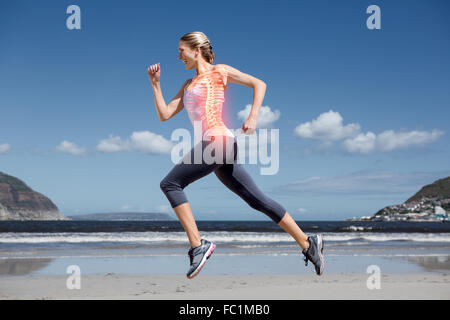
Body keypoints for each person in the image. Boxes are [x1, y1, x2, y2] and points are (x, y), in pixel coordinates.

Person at [147, 31, 324, 279]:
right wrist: (155, 84)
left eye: (181, 51)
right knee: (256, 200)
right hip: (219, 146)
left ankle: (198, 245)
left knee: (171, 183)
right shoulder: (187, 85)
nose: (179, 57)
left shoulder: (220, 71)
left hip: (218, 141)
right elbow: (165, 114)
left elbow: (259, 84)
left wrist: (253, 116)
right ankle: (308, 243)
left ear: (196, 50)